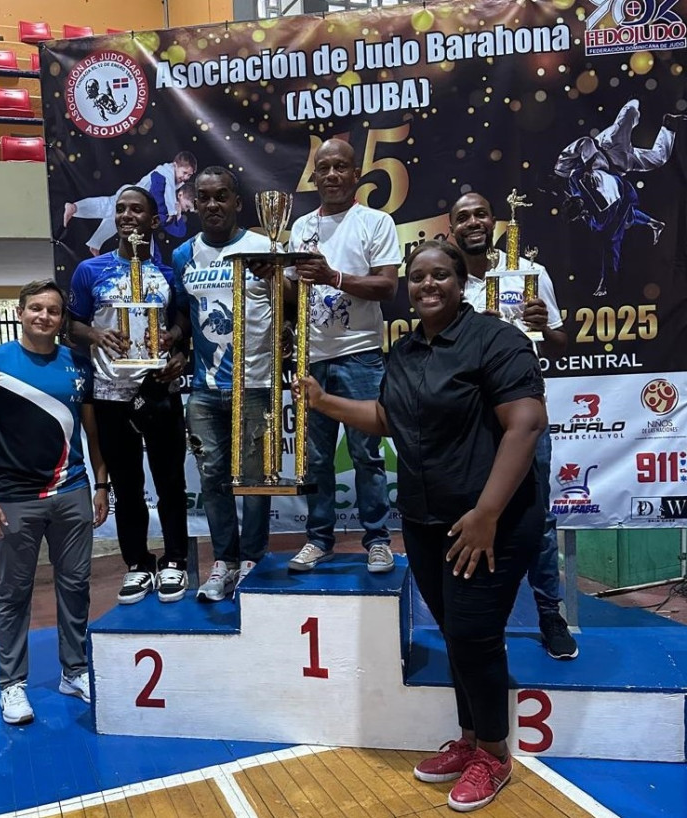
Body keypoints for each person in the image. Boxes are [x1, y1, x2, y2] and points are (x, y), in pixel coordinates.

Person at [295, 240, 546, 812]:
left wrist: (486, 514)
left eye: (440, 275)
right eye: (418, 277)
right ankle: (469, 739)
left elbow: (527, 424)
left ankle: (494, 755)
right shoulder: (406, 349)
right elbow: (388, 417)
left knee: (476, 635)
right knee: (456, 633)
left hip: (492, 521)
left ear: (461, 282)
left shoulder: (495, 340)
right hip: (426, 520)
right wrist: (324, 401)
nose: (427, 284)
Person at [0, 279, 109, 726]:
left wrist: (101, 485)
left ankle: (74, 671)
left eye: (53, 310)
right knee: (13, 594)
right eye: (36, 308)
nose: (44, 316)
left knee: (75, 587)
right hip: (13, 499)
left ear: (62, 319)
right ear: (20, 312)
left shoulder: (78, 365)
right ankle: (12, 684)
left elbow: (93, 432)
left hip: (72, 492)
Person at [449, 191, 578, 661]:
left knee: (538, 519)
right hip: (470, 420)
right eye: (463, 217)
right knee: (473, 515)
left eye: (480, 214)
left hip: (523, 416)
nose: (473, 222)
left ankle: (549, 614)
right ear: (452, 229)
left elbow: (560, 341)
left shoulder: (530, 273)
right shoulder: (448, 281)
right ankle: (483, 620)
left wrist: (545, 324)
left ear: (494, 221)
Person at [68, 186, 190, 605]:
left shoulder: (167, 274)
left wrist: (175, 343)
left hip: (159, 390)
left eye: (136, 209)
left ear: (153, 221)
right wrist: (95, 334)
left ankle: (176, 560)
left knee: (171, 481)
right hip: (110, 394)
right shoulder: (90, 270)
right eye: (120, 209)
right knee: (127, 485)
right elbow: (72, 325)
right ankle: (138, 563)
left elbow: (182, 321)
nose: (126, 215)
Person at [286, 138, 400, 574]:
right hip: (311, 357)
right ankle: (319, 540)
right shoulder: (300, 228)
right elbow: (295, 293)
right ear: (313, 176)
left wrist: (333, 276)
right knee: (315, 458)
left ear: (356, 174)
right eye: (324, 168)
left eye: (340, 167)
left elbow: (387, 286)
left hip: (360, 355)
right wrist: (273, 278)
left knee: (366, 454)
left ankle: (377, 540)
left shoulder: (375, 221)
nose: (332, 175)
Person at [171, 167, 274, 602]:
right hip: (204, 390)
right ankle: (225, 562)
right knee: (212, 477)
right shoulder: (183, 255)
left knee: (254, 479)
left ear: (237, 201)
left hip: (254, 384)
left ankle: (252, 560)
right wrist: (172, 341)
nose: (212, 204)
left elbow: (288, 305)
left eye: (221, 196)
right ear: (194, 203)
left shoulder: (264, 248)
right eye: (204, 197)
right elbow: (182, 315)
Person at [553, 99, 681, 296]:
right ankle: (669, 125)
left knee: (628, 116)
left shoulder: (576, 178)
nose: (584, 209)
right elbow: (615, 227)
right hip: (623, 166)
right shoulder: (594, 216)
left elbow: (585, 142)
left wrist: (579, 167)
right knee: (658, 159)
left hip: (609, 148)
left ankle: (636, 99)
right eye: (582, 212)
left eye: (580, 206)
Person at [64, 151, 198, 253]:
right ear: (175, 165)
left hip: (137, 203)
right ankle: (74, 207)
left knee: (114, 220)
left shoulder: (176, 183)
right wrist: (172, 213)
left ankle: (95, 243)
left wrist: (174, 213)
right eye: (184, 172)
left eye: (189, 175)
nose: (186, 177)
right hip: (132, 196)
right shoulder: (166, 173)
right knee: (108, 207)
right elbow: (166, 194)